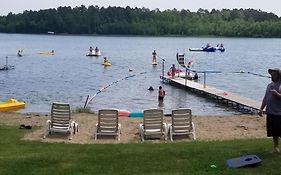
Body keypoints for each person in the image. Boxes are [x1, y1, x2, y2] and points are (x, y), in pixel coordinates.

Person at [258, 68, 281, 153]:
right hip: (270, 112)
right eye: (271, 74)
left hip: (279, 113)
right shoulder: (269, 85)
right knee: (274, 132)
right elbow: (265, 98)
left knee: (279, 131)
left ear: (278, 75)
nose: (272, 76)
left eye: (274, 74)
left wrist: (277, 94)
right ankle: (276, 148)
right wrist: (261, 109)